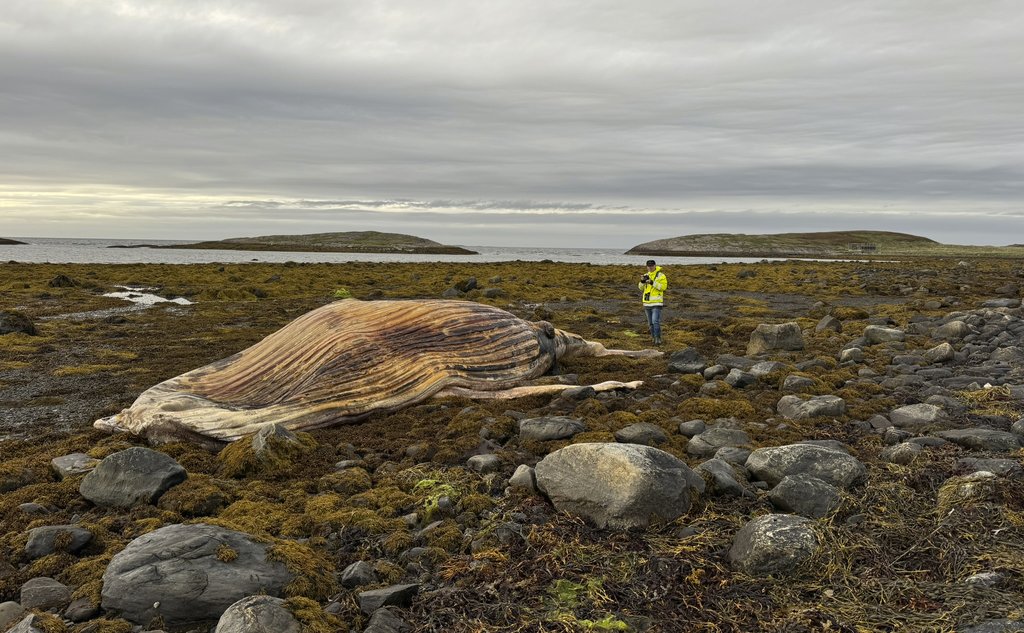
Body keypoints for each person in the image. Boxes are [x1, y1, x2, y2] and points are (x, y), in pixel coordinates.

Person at [638, 259, 667, 345]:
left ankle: (658, 339)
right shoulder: (646, 275)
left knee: (655, 321)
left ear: (655, 266)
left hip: (657, 303)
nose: (650, 268)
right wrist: (642, 282)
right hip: (647, 303)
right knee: (650, 323)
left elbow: (663, 287)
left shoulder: (661, 276)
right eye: (648, 266)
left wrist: (652, 282)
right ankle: (653, 338)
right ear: (647, 267)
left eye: (651, 266)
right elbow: (640, 288)